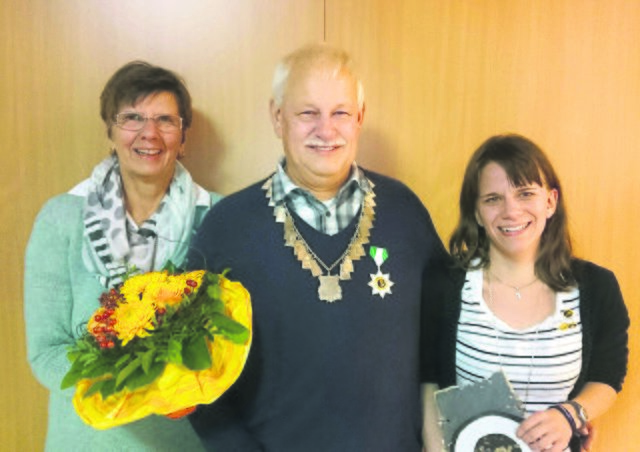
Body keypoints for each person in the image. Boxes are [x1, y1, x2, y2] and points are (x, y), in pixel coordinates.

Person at [187, 43, 447, 452]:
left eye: (341, 112)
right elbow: (192, 370)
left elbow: (450, 329)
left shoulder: (406, 213)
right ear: (277, 117)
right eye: (308, 113)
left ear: (359, 118)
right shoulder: (226, 227)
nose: (326, 130)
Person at [24, 61, 221, 451]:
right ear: (110, 132)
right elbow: (46, 350)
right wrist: (134, 384)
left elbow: (231, 342)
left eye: (165, 119)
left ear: (183, 137)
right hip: (85, 440)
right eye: (132, 117)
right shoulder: (61, 218)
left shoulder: (219, 216)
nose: (149, 133)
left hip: (185, 441)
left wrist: (181, 387)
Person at [421, 134, 629, 452]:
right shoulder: (444, 286)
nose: (511, 211)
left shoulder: (597, 288)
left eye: (525, 193)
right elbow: (429, 382)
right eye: (493, 198)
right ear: (476, 213)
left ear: (550, 201)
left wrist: (571, 415)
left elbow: (608, 376)